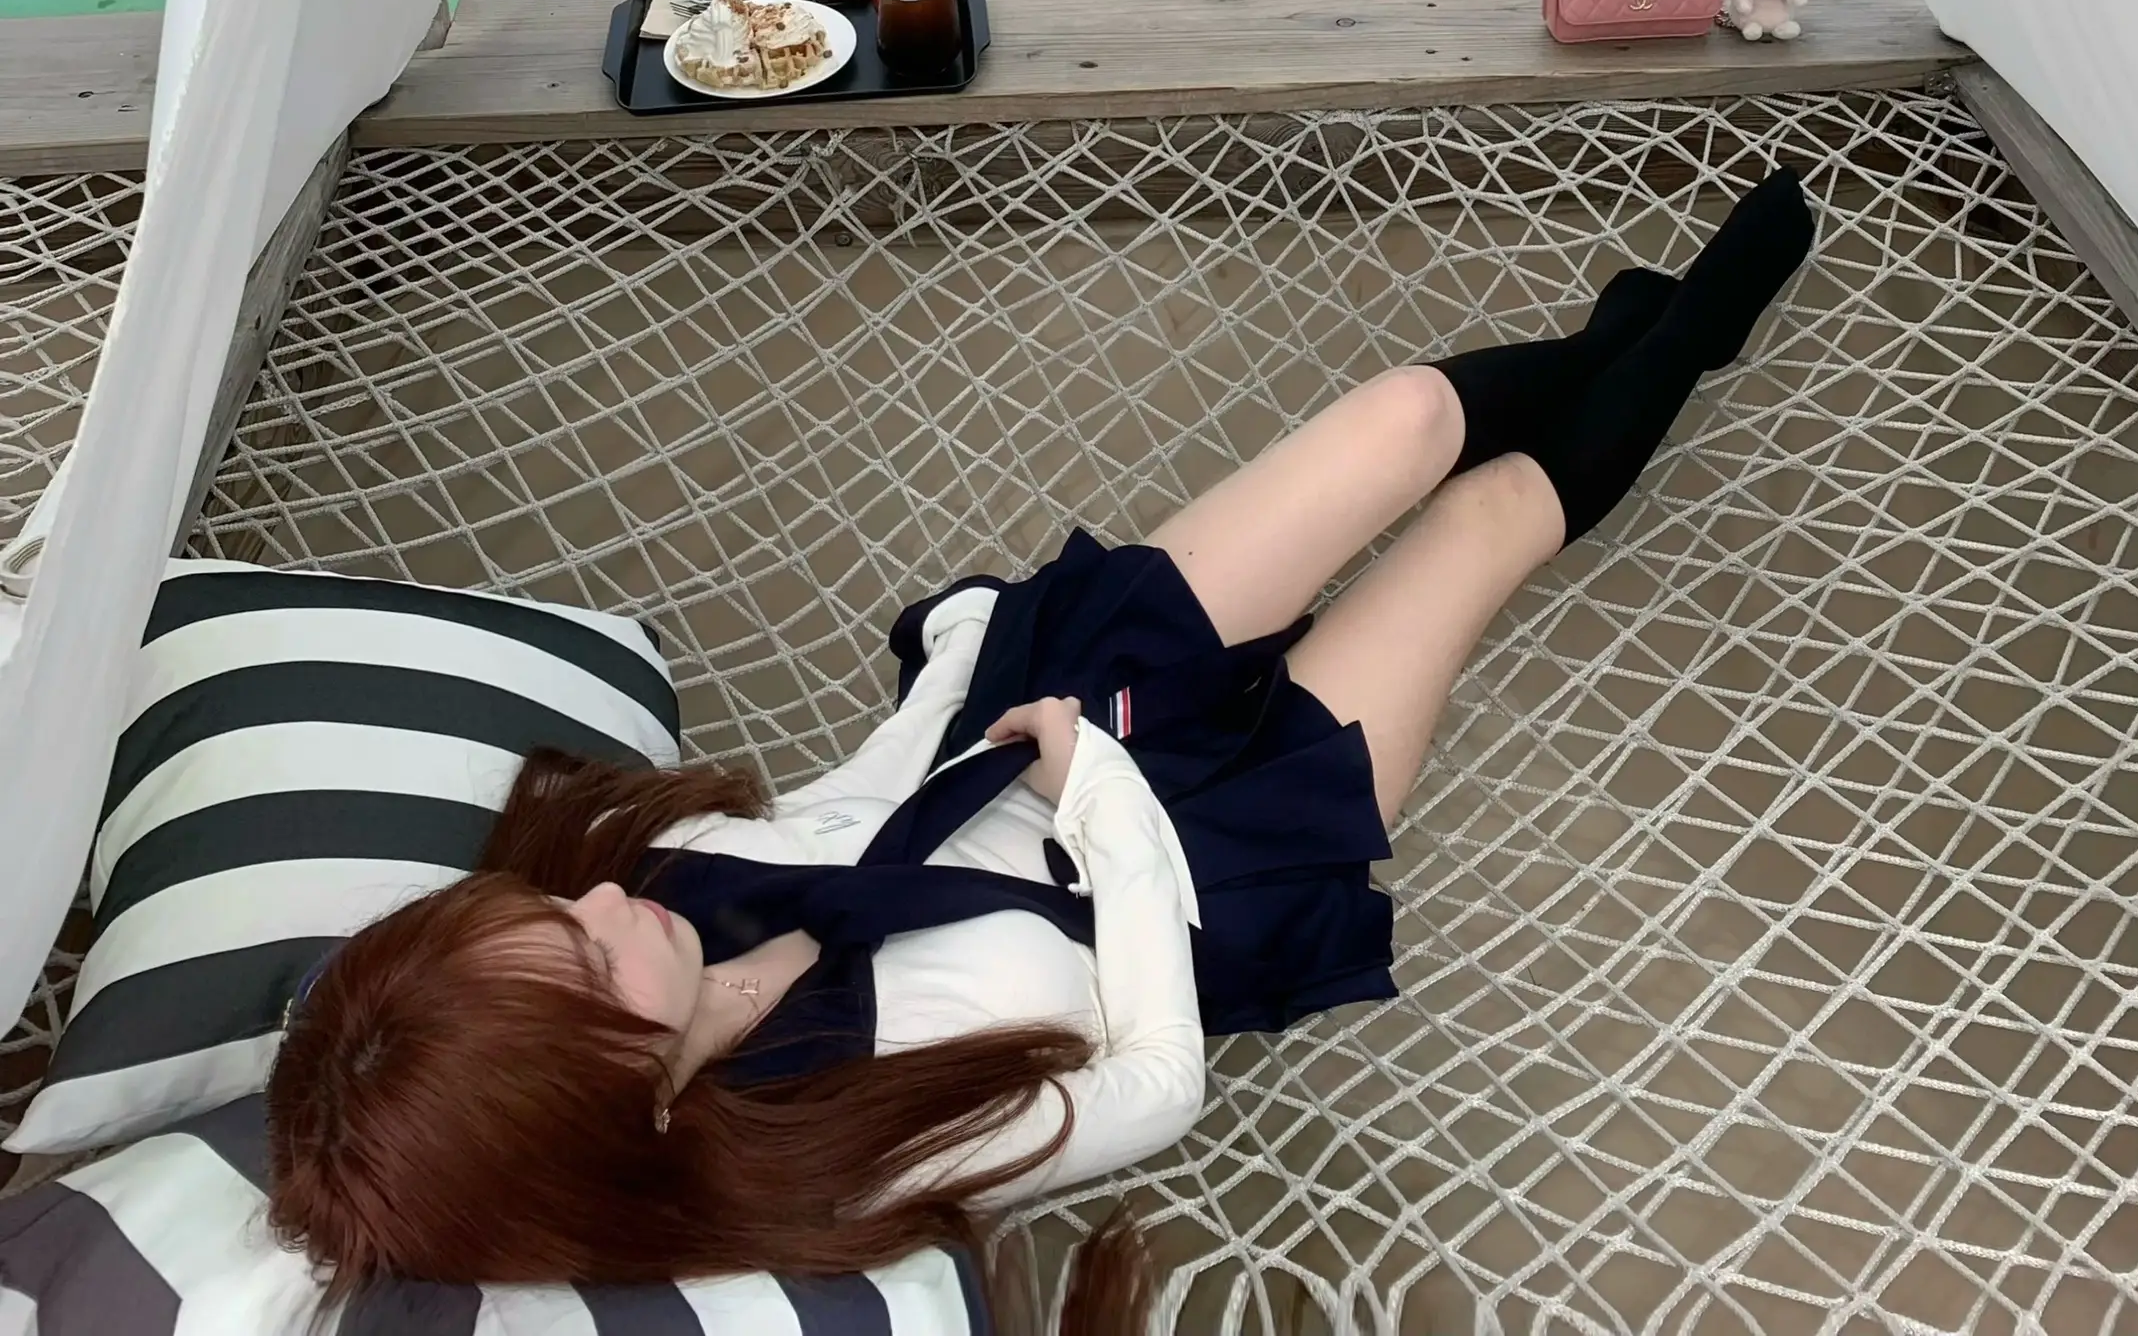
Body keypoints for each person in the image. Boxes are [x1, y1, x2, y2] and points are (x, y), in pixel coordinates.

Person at [267, 170, 1814, 1329]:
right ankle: (1686, 341)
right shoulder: (861, 1146)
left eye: (557, 913)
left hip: (1036, 727)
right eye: (593, 963)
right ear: (627, 1111)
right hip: (1194, 874)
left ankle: (1617, 345)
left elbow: (856, 811)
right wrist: (1105, 804)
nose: (606, 901)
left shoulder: (667, 889)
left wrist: (961, 671)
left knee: (1408, 421)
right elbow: (1156, 1080)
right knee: (1482, 521)